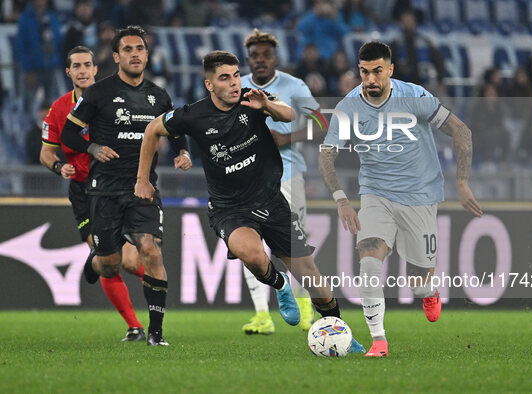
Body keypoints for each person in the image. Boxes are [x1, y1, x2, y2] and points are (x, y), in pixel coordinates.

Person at [135, 50, 365, 353]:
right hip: (230, 208)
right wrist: (142, 179)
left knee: (314, 281)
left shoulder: (252, 97)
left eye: (234, 75)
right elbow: (153, 129)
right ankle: (280, 285)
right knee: (250, 252)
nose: (233, 83)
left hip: (271, 200)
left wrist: (266, 104)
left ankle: (343, 334)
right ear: (209, 84)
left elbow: (290, 114)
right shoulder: (193, 114)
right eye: (224, 78)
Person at [318, 42, 482, 357]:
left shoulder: (415, 97)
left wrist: (461, 181)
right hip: (375, 193)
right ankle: (379, 341)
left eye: (377, 71)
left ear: (390, 70)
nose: (370, 80)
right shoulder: (348, 107)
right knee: (368, 262)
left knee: (418, 281)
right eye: (364, 72)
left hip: (420, 195)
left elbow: (462, 132)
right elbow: (326, 156)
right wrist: (341, 199)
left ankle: (428, 291)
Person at [61, 26, 191, 346]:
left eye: (140, 49)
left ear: (147, 55)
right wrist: (92, 149)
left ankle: (156, 333)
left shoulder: (159, 96)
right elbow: (68, 134)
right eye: (128, 49)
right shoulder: (98, 93)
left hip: (142, 187)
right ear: (117, 56)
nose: (135, 54)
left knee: (150, 249)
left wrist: (183, 151)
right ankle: (96, 259)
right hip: (104, 189)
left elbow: (175, 131)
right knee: (111, 264)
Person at [39, 45, 155, 342]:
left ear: (95, 70)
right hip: (84, 191)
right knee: (110, 262)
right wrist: (58, 167)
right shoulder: (58, 109)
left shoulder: (116, 101)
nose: (82, 70)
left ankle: (156, 285)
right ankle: (134, 326)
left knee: (130, 262)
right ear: (69, 73)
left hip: (119, 185)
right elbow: (46, 153)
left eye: (87, 65)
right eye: (75, 66)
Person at [240, 29, 318, 334]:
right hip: (246, 178)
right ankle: (262, 314)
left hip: (288, 174)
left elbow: (323, 125)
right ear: (248, 59)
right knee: (251, 245)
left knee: (293, 244)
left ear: (276, 58)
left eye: (266, 55)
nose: (260, 60)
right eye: (255, 56)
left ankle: (304, 304)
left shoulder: (295, 87)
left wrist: (289, 136)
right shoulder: (237, 86)